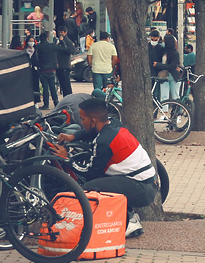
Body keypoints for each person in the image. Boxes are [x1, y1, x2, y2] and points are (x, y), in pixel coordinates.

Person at [55, 98, 158, 238]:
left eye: (83, 119)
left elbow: (90, 173)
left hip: (142, 189)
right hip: (148, 182)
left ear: (93, 121)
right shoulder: (114, 124)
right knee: (105, 181)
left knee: (88, 188)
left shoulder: (103, 142)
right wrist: (72, 136)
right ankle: (129, 218)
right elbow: (91, 131)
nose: (81, 122)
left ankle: (127, 222)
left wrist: (67, 159)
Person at [32, 29, 61, 108]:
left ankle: (46, 104)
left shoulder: (38, 47)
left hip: (43, 70)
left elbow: (34, 50)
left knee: (45, 88)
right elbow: (62, 48)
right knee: (52, 87)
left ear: (40, 39)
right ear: (47, 38)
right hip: (51, 69)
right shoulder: (52, 46)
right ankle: (56, 102)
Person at [155, 33, 182, 102]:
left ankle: (176, 110)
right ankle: (165, 111)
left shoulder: (175, 53)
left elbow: (172, 66)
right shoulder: (163, 51)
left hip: (172, 75)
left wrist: (159, 65)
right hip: (165, 75)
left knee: (175, 95)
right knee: (164, 95)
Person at [53, 25, 78, 97]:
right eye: (59, 32)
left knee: (66, 84)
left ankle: (69, 97)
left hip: (65, 65)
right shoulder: (56, 41)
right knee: (62, 84)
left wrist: (62, 43)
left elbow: (71, 51)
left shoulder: (68, 42)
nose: (61, 34)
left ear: (65, 32)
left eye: (62, 32)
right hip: (58, 66)